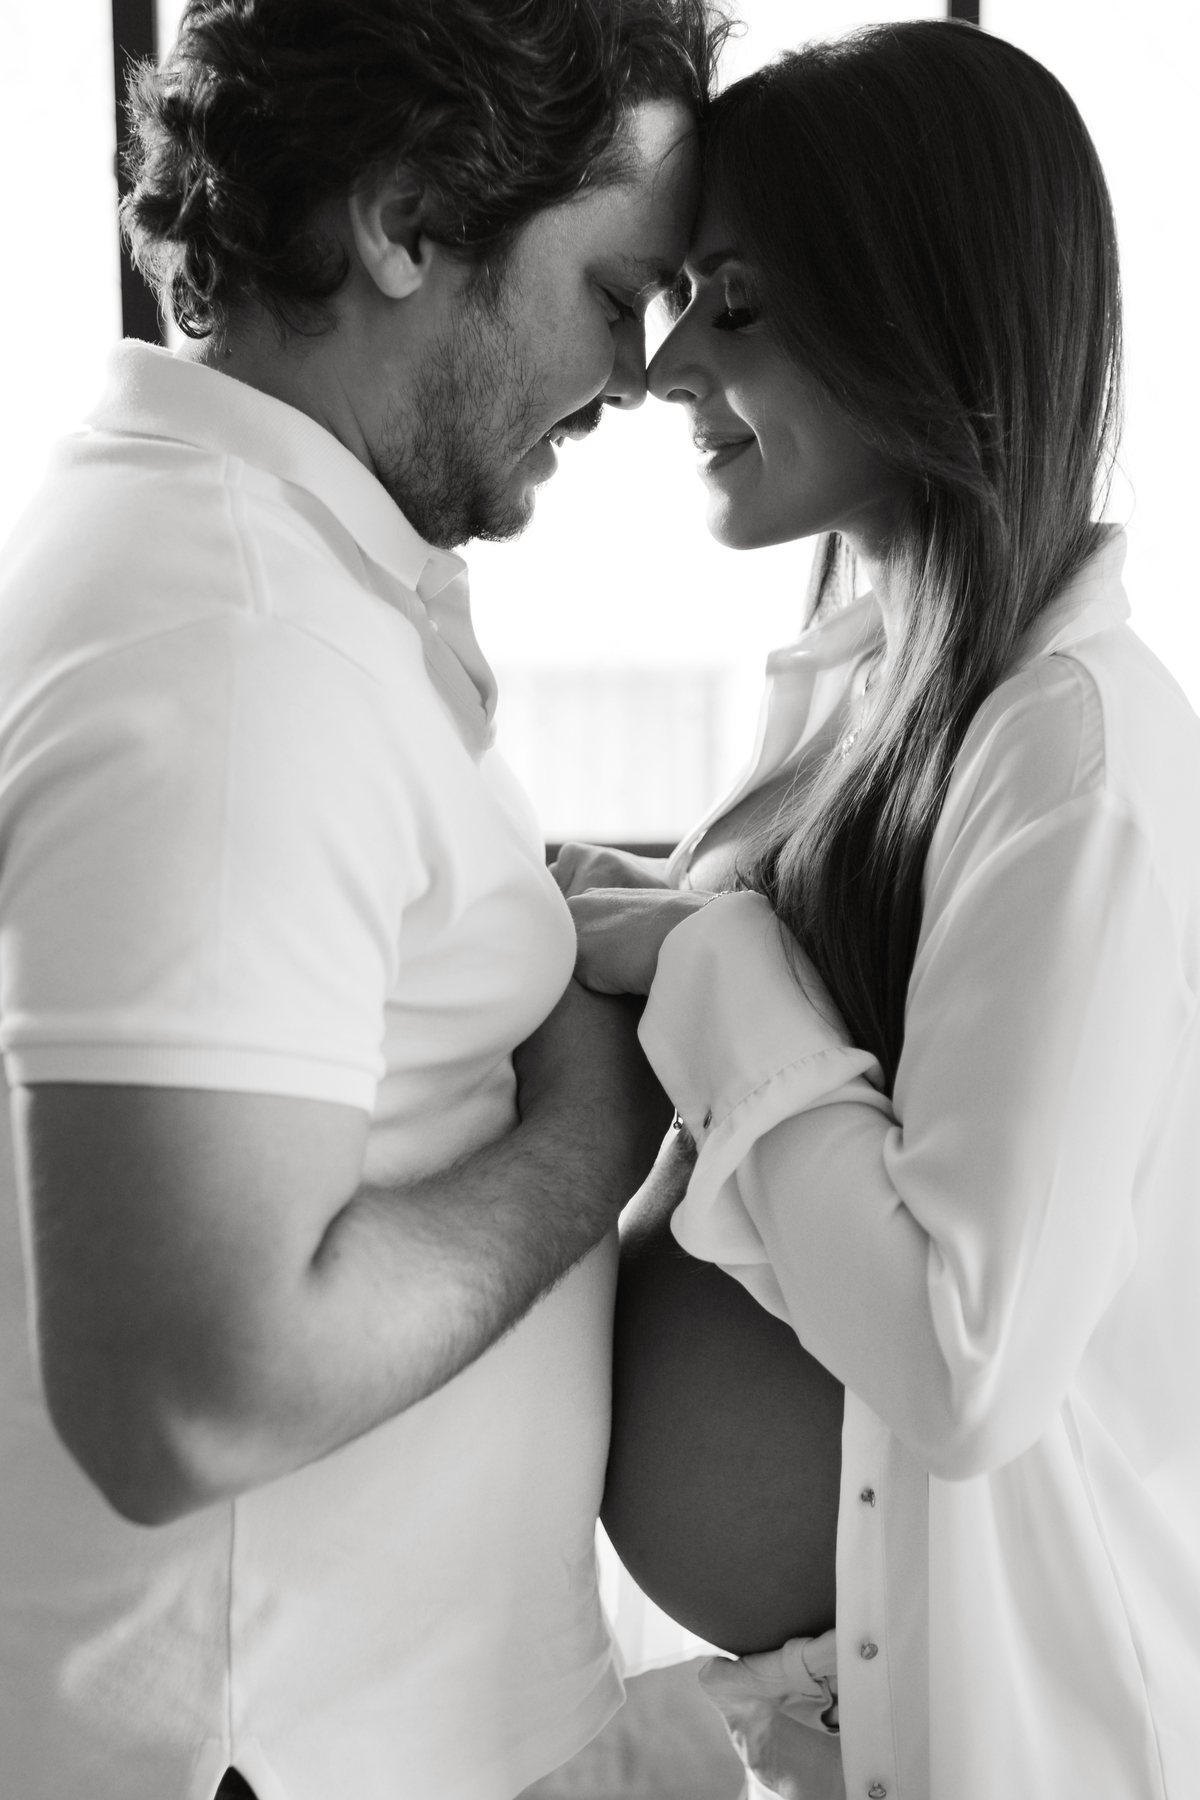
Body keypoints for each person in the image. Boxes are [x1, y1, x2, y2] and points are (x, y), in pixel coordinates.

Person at [0, 2, 727, 1796]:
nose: (640, 377)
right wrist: (602, 1119)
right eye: (617, 292)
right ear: (407, 219)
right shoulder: (239, 641)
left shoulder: (264, 575)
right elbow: (195, 1394)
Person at [558, 21, 1200, 1800]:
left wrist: (713, 955)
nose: (664, 361)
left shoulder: (1076, 754)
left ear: (921, 318)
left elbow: (960, 1361)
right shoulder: (878, 684)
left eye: (738, 303)